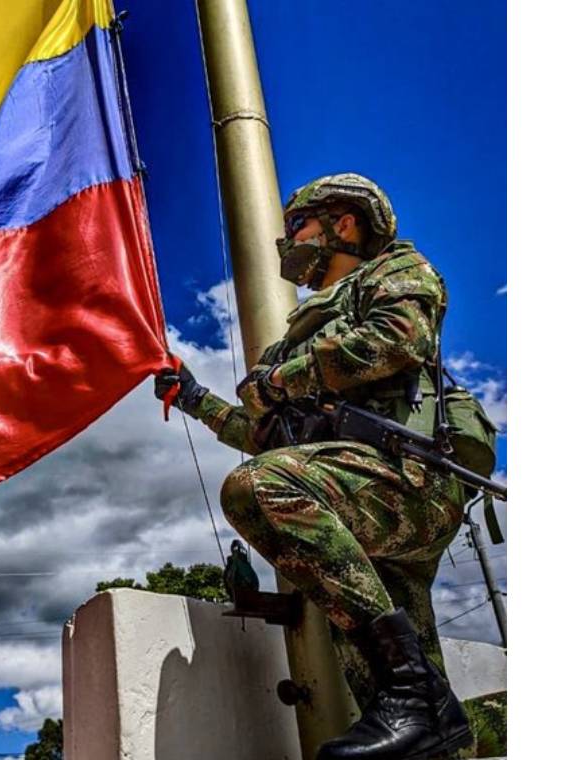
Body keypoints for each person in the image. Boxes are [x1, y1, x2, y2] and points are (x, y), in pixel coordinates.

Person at [155, 173, 497, 760]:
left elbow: (398, 337)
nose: (289, 242)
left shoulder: (394, 269)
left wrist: (279, 379)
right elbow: (266, 435)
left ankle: (421, 696)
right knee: (403, 723)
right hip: (356, 496)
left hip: (404, 481)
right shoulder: (307, 330)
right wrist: (192, 397)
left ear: (344, 223)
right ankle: (431, 714)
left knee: (260, 487)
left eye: (299, 226)